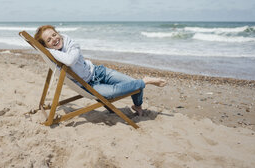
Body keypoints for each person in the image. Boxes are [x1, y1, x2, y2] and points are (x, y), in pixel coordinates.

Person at [34, 25, 166, 116]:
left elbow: (70, 60)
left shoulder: (71, 44)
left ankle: (137, 106)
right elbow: (68, 61)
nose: (54, 39)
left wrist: (49, 49)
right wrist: (49, 50)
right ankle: (145, 81)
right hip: (89, 86)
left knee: (133, 84)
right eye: (49, 40)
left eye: (54, 34)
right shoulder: (52, 53)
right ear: (46, 46)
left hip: (98, 72)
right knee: (121, 89)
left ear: (59, 33)